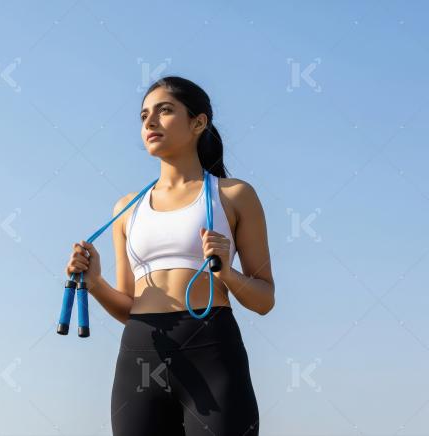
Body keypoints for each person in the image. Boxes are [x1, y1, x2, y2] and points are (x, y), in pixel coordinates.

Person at [65, 76, 275, 435]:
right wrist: (95, 282)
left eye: (165, 111)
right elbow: (127, 307)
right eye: (144, 114)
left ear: (198, 122)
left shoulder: (235, 195)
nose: (150, 122)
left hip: (212, 350)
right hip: (140, 355)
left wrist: (227, 273)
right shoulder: (127, 209)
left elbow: (264, 300)